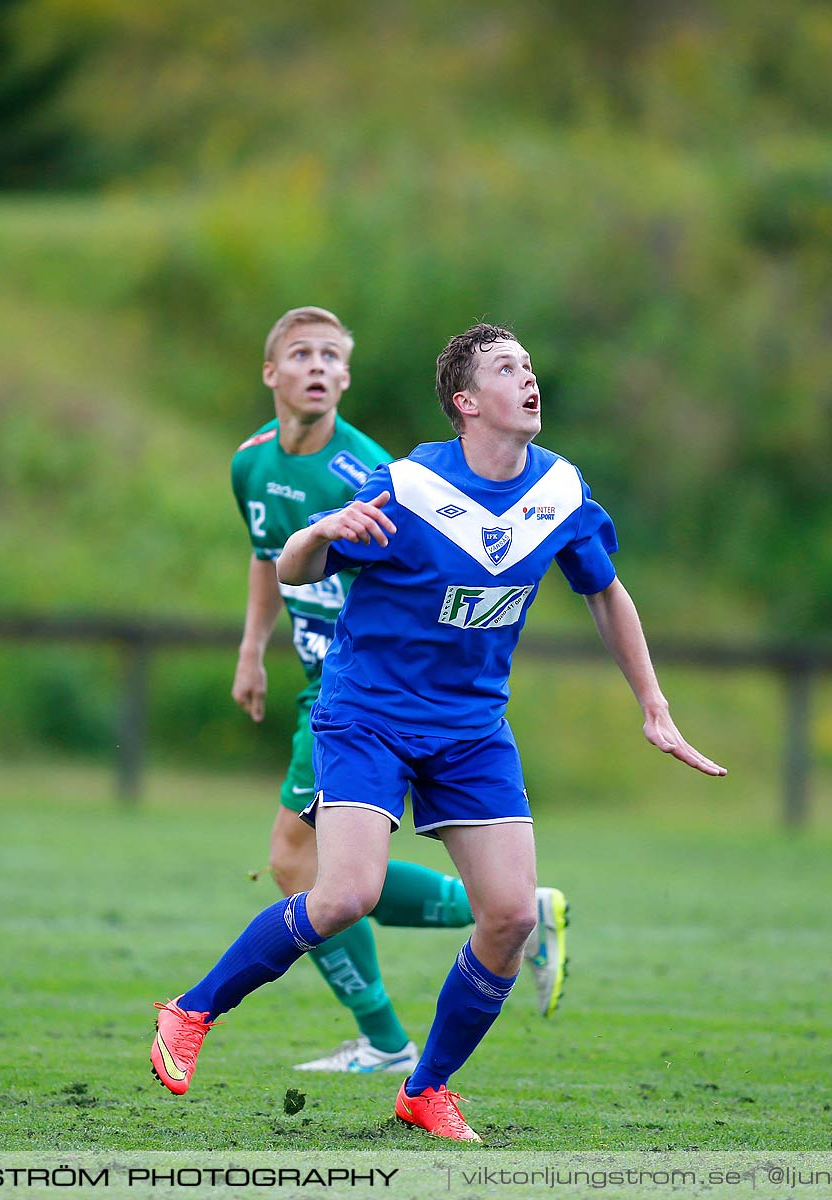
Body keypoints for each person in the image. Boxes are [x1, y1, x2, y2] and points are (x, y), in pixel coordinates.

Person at [156, 322, 724, 1141]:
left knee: (510, 915)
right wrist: (320, 531)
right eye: (506, 368)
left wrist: (655, 704)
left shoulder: (560, 492)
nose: (529, 377)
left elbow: (606, 591)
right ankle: (192, 1011)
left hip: (470, 729)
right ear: (466, 403)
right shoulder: (411, 486)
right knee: (345, 893)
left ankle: (425, 1090)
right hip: (368, 714)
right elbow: (294, 569)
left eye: (530, 364)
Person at [229, 308, 569, 1078]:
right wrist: (252, 648)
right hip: (315, 681)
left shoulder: (377, 475)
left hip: (357, 694)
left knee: (299, 865)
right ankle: (511, 922)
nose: (316, 367)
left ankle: (389, 1036)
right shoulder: (250, 463)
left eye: (330, 356)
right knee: (318, 873)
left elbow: (410, 592)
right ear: (270, 373)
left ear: (346, 377)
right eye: (300, 353)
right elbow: (269, 555)